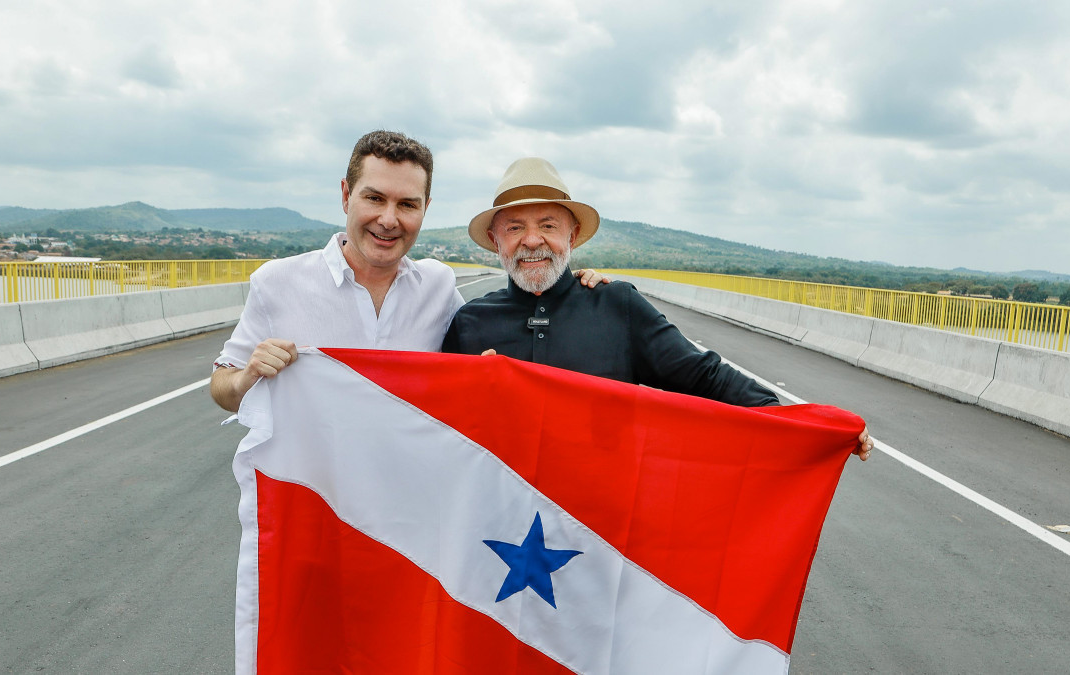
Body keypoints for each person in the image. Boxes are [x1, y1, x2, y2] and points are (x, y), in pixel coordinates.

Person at [442, 157, 873, 459]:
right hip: (501, 543)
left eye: (548, 226)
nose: (532, 240)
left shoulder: (616, 305)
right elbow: (432, 423)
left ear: (572, 236)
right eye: (515, 227)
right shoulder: (469, 324)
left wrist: (808, 427)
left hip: (601, 534)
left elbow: (704, 375)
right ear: (496, 240)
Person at [211, 132, 606, 413]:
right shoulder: (276, 281)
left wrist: (575, 288)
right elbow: (222, 385)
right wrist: (247, 377)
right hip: (310, 510)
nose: (388, 219)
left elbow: (491, 338)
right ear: (346, 196)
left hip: (402, 520)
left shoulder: (438, 287)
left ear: (425, 208)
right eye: (375, 198)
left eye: (407, 204)